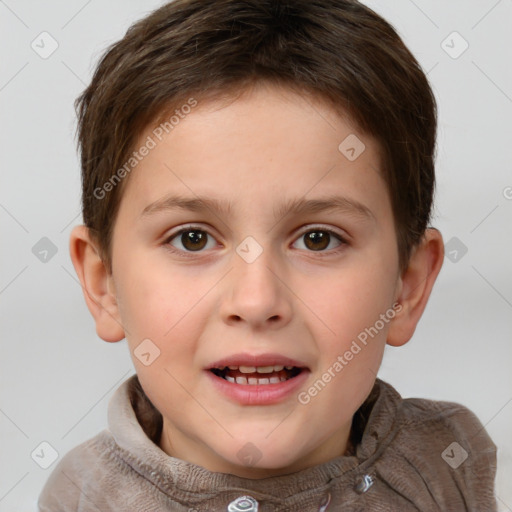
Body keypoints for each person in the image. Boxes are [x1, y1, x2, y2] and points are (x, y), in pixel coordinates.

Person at [38, 0, 497, 510]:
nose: (256, 301)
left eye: (318, 239)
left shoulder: (454, 467)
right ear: (104, 284)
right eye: (192, 238)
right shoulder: (82, 498)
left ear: (407, 286)